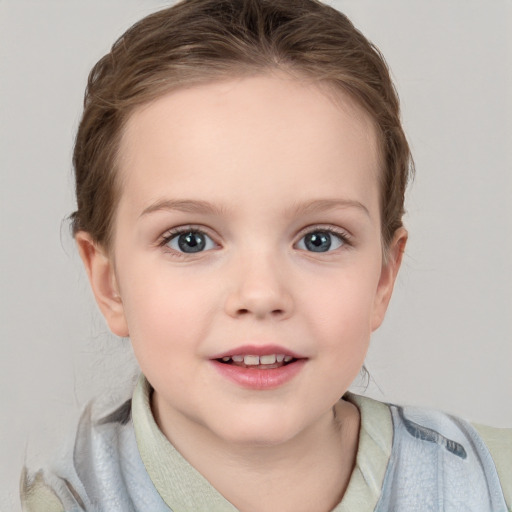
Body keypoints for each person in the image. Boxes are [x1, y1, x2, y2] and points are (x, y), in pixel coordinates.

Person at [20, 0, 511, 510]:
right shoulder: (54, 500)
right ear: (110, 284)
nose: (261, 294)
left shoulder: (491, 484)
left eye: (319, 239)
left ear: (383, 277)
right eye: (191, 239)